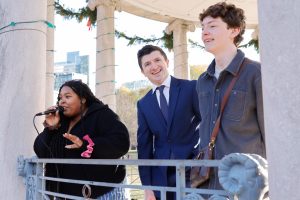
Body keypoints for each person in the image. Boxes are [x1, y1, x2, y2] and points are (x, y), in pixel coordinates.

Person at [196, 2, 266, 190]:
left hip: (246, 184)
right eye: (203, 28)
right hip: (208, 182)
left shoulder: (256, 73)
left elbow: (270, 132)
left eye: (212, 26)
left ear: (234, 30)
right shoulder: (202, 80)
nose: (204, 33)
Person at [33, 80, 130, 199]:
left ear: (83, 99)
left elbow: (121, 142)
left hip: (99, 193)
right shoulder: (60, 122)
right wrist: (50, 128)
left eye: (68, 96)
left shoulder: (101, 114)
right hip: (62, 195)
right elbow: (40, 151)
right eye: (60, 98)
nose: (62, 101)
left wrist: (85, 145)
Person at [136, 45, 200, 199]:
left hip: (194, 172)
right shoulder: (143, 103)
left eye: (157, 60)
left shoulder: (190, 88)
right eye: (147, 64)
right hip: (161, 178)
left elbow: (208, 123)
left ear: (167, 62)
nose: (154, 66)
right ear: (143, 71)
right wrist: (147, 187)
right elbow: (144, 146)